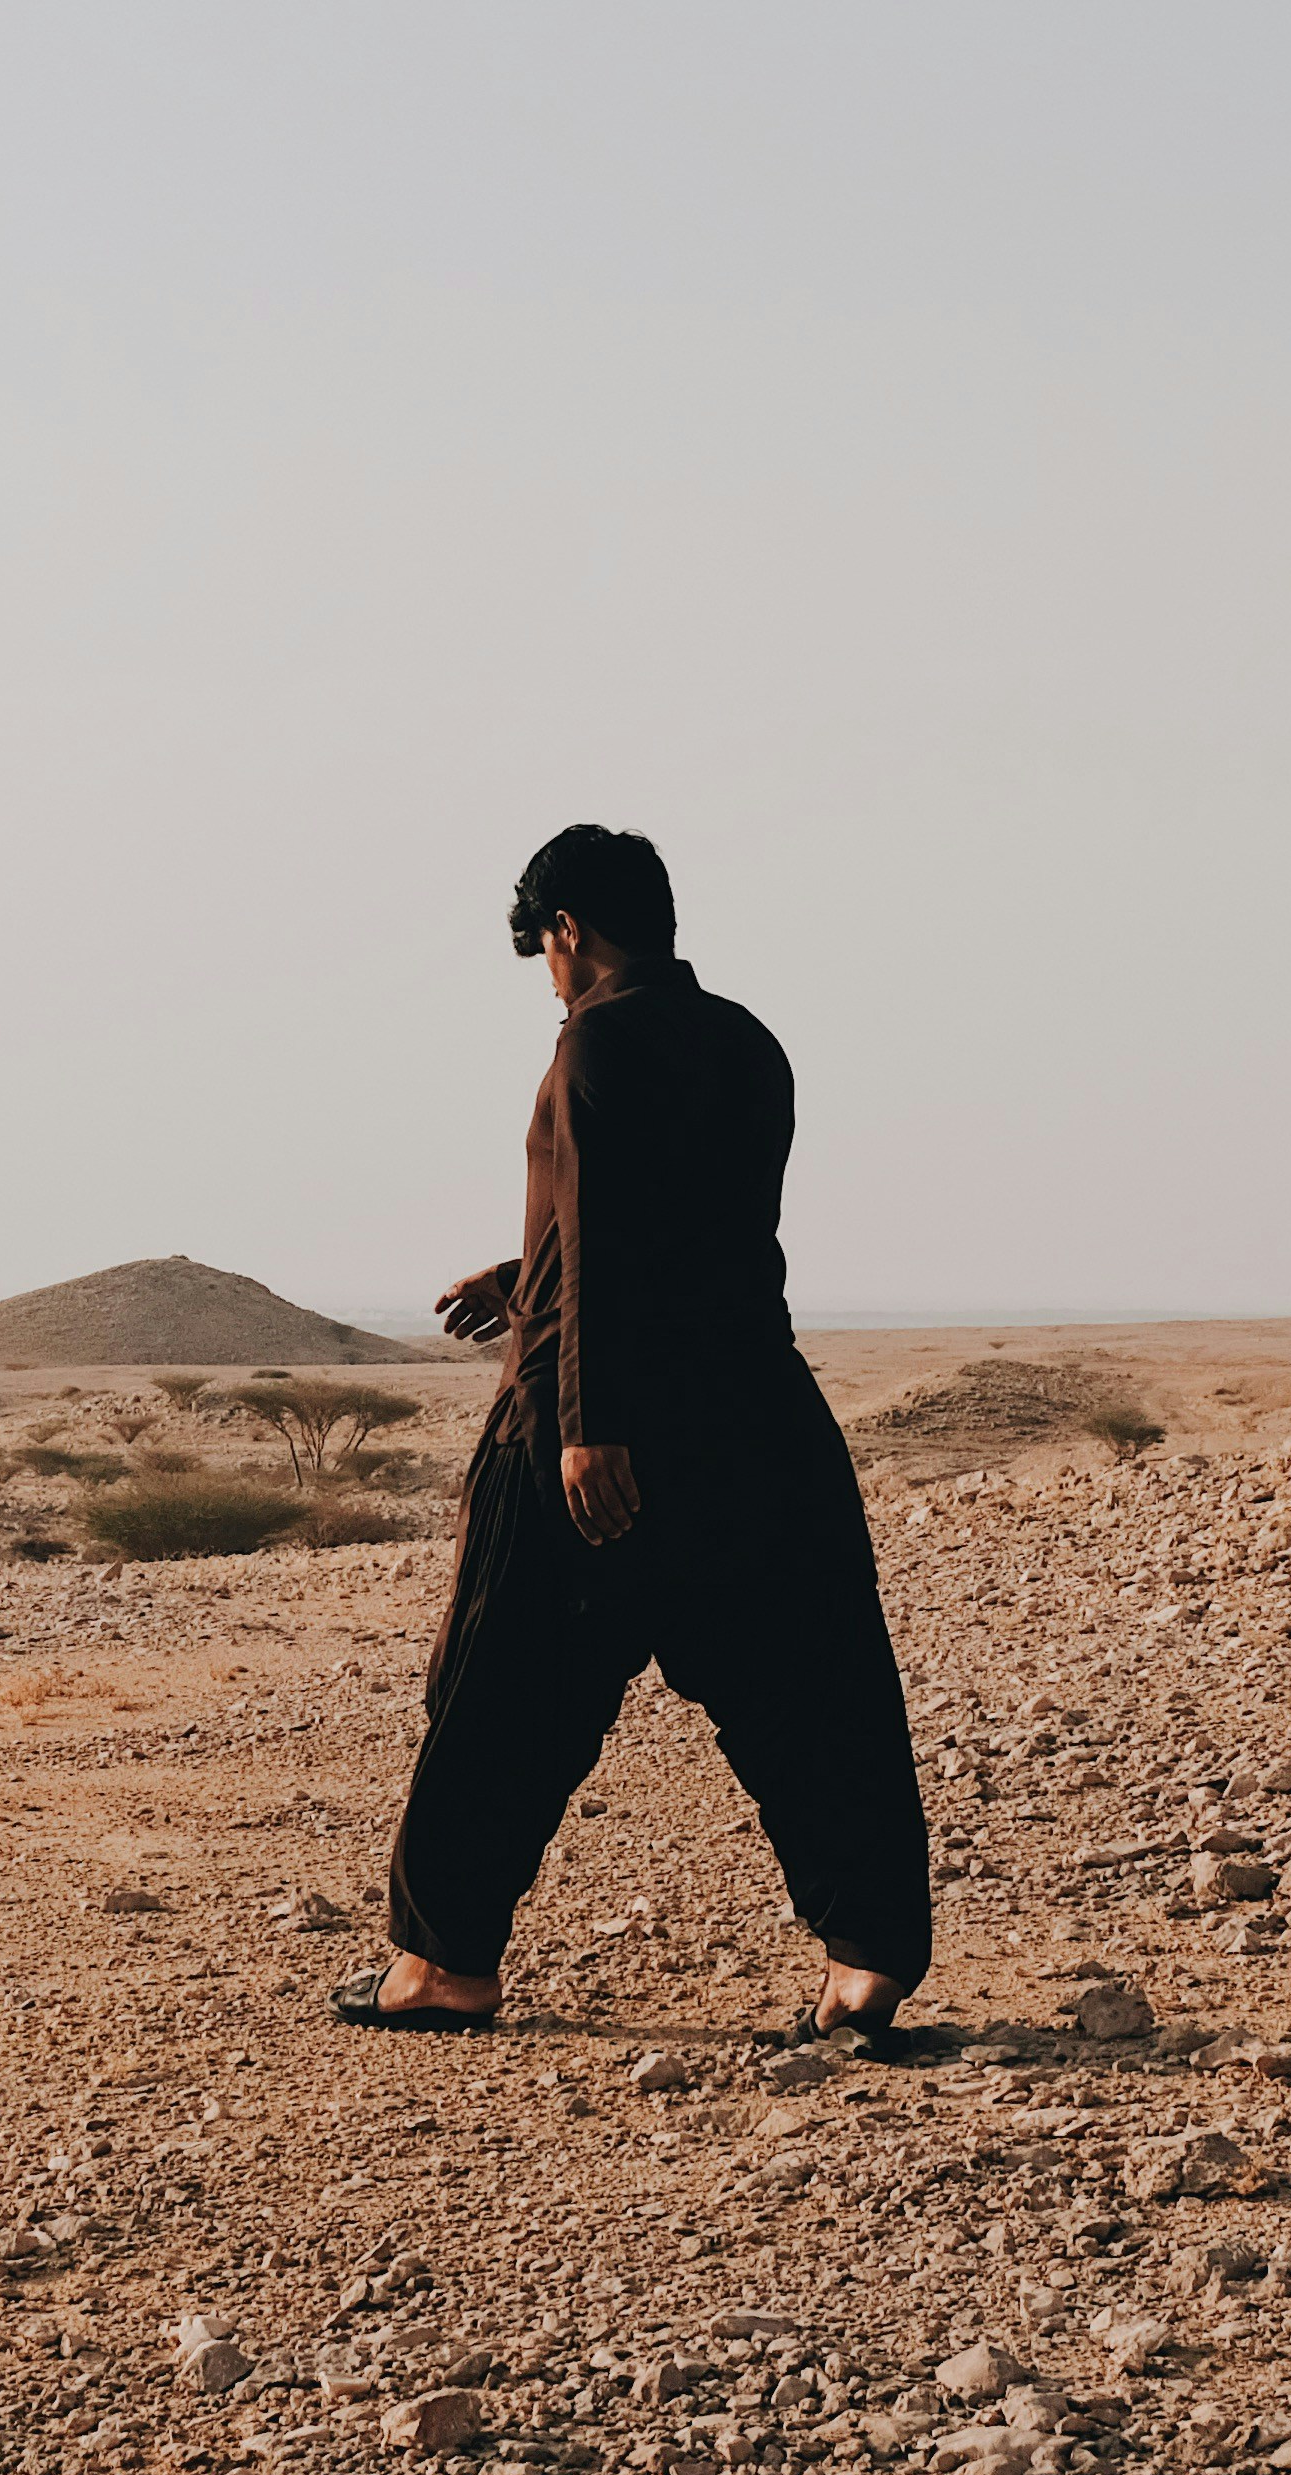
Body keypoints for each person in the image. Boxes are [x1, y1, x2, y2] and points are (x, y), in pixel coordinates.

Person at [337, 824, 939, 2057]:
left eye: (544, 951)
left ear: (568, 930)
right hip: (760, 1424)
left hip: (603, 1434)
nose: (548, 978)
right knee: (813, 1693)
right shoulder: (748, 1039)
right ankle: (867, 1971)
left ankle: (442, 1965)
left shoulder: (596, 1037)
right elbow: (694, 1228)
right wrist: (529, 1271)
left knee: (500, 1695)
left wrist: (585, 1423)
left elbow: (614, 1228)